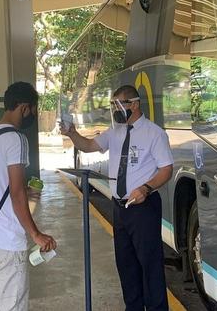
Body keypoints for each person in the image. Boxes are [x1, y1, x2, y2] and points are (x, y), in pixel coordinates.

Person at [61, 85, 174, 311]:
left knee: (149, 265)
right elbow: (89, 145)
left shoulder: (154, 133)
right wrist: (72, 133)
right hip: (120, 208)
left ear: (134, 104)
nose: (115, 109)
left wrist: (146, 188)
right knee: (126, 264)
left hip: (143, 207)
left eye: (119, 105)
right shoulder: (115, 132)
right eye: (112, 105)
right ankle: (133, 307)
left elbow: (166, 169)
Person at [0, 81, 56, 311]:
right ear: (24, 107)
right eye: (32, 109)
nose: (32, 114)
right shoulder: (15, 139)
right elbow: (16, 192)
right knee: (12, 305)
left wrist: (28, 193)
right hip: (7, 241)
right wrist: (36, 234)